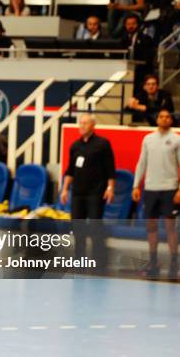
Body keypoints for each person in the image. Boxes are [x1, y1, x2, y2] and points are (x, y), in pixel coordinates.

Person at [132, 109, 180, 278]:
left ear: (171, 120)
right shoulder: (148, 139)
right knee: (151, 226)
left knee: (171, 227)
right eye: (161, 116)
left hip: (170, 189)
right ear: (157, 119)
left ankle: (173, 264)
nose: (164, 119)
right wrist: (136, 185)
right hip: (150, 188)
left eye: (167, 117)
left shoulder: (178, 139)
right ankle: (153, 263)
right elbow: (141, 163)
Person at [61, 114, 115, 270]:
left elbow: (110, 168)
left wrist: (110, 187)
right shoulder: (75, 146)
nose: (81, 126)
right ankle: (79, 259)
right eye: (80, 123)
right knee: (78, 227)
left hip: (96, 192)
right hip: (78, 192)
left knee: (95, 227)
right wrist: (65, 189)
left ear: (93, 125)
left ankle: (99, 261)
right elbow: (70, 170)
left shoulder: (102, 144)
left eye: (85, 123)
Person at [121, 14, 155, 96]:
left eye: (133, 24)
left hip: (142, 71)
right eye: (128, 24)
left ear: (138, 25)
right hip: (125, 70)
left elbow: (149, 56)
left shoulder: (146, 38)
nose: (130, 26)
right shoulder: (122, 39)